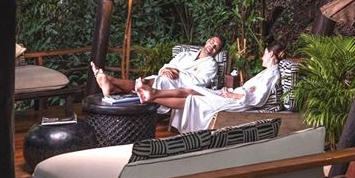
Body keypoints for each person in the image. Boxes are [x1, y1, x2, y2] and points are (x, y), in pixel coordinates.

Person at [137, 43, 286, 133]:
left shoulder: (273, 75)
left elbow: (256, 98)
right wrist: (230, 92)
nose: (262, 57)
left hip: (237, 102)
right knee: (193, 89)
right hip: (233, 95)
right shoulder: (268, 72)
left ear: (271, 55)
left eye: (264, 54)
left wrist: (232, 95)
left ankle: (153, 98)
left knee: (193, 99)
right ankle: (154, 93)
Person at [91, 35, 225, 96]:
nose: (211, 46)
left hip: (182, 86)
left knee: (147, 82)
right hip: (166, 78)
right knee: (148, 81)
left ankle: (110, 81)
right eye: (212, 42)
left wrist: (178, 72)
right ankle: (111, 86)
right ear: (207, 41)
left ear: (217, 52)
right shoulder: (186, 54)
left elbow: (200, 83)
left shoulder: (211, 65)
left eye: (216, 47)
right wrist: (166, 69)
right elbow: (168, 66)